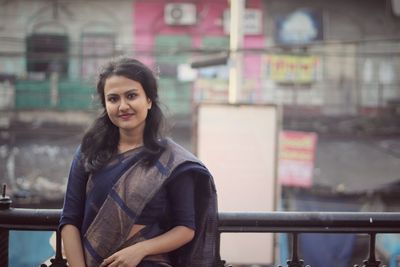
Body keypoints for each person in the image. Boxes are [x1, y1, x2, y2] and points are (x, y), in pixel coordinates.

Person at [59, 57, 218, 267]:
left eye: (131, 96)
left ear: (149, 100)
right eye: (113, 99)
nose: (123, 106)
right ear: (105, 104)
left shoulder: (172, 162)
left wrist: (140, 250)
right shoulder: (89, 152)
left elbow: (185, 228)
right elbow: (70, 220)